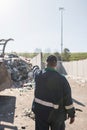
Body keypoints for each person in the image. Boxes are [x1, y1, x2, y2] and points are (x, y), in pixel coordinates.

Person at [32, 55, 75, 130]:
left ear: (46, 63)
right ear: (56, 64)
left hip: (40, 112)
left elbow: (35, 71)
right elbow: (68, 100)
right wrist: (71, 114)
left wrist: (35, 67)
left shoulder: (38, 75)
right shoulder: (62, 79)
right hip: (57, 115)